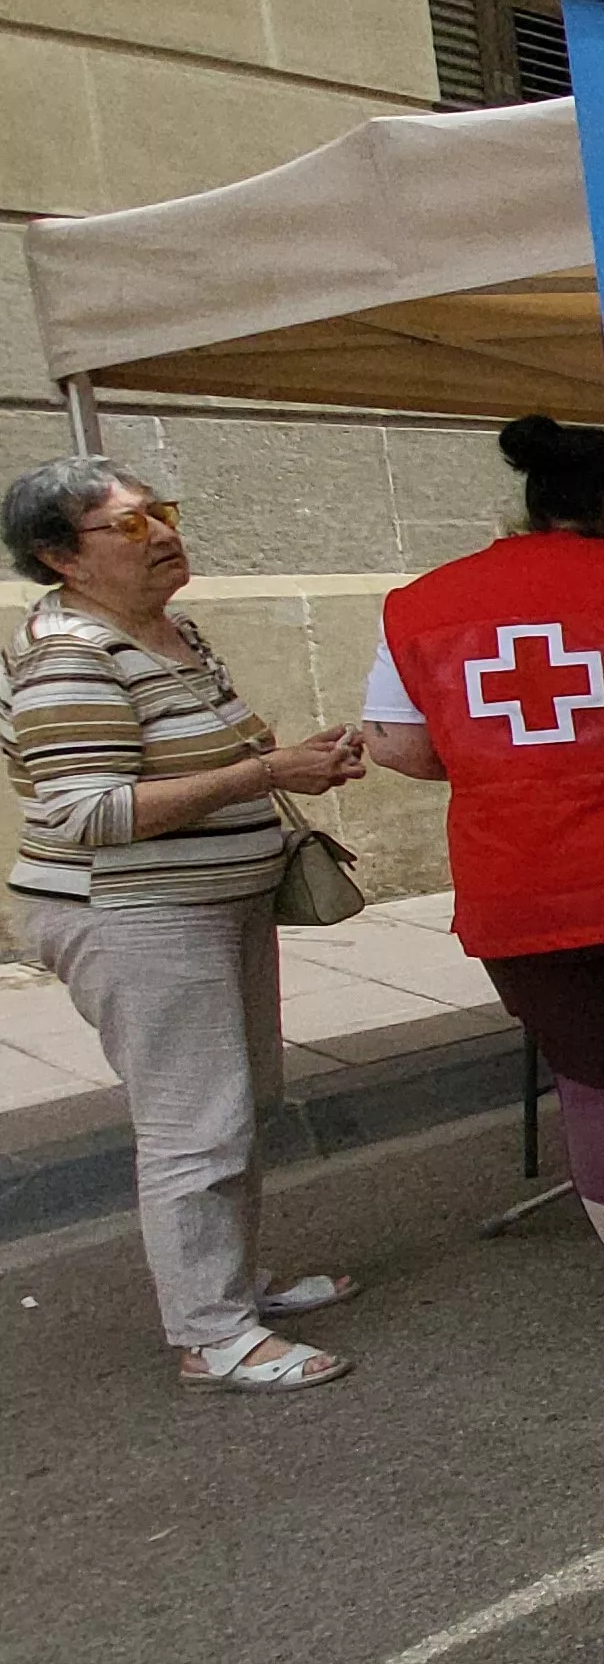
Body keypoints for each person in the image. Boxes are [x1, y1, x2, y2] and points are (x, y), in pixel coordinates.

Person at [1, 457, 367, 1391]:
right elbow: (89, 810)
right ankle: (211, 1333)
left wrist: (289, 761)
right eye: (126, 526)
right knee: (193, 1124)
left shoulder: (171, 632)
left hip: (210, 902)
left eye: (161, 513)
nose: (162, 534)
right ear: (58, 558)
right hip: (137, 917)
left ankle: (232, 1287)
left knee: (246, 1101)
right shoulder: (69, 655)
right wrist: (266, 775)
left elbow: (217, 747)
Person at [361, 417, 604, 1351]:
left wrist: (501, 761)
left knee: (601, 1085)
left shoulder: (421, 603)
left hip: (521, 887)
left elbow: (398, 744)